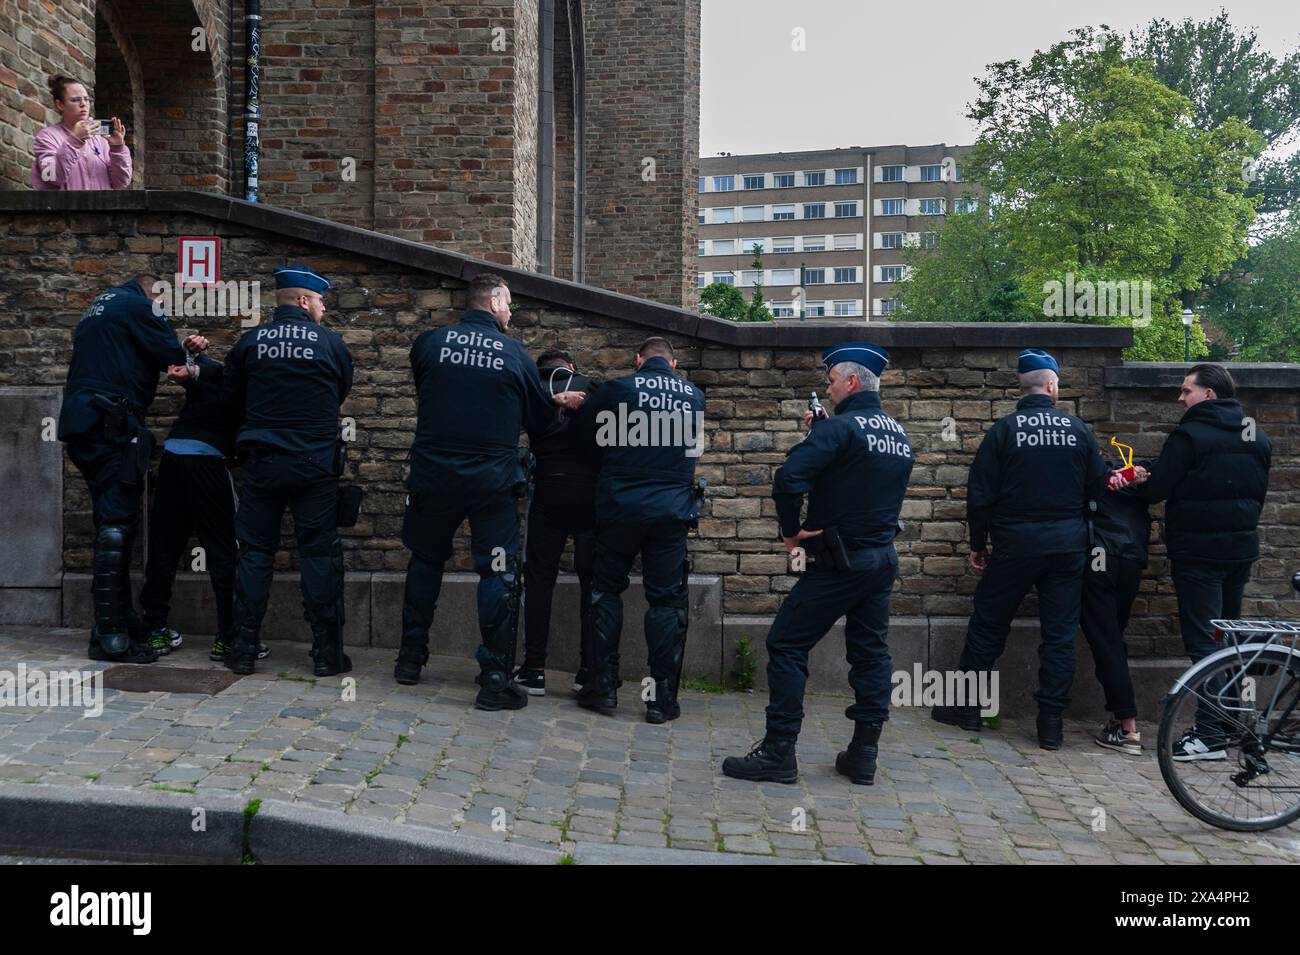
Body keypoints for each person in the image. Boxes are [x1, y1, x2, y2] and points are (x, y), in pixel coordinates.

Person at [721, 343, 913, 785]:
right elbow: (859, 476)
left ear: (851, 381)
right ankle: (864, 754)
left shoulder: (839, 430)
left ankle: (778, 752)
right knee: (871, 653)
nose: (828, 391)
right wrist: (825, 436)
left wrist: (791, 532)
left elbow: (788, 479)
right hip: (881, 560)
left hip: (840, 562)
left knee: (786, 643)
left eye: (831, 382)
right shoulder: (896, 432)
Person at [395, 274, 585, 710]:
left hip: (434, 476)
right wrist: (553, 403)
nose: (511, 312)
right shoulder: (515, 355)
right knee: (497, 572)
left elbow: (430, 392)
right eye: (510, 304)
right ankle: (495, 675)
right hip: (491, 483)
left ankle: (409, 658)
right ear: (495, 301)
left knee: (425, 561)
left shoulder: (428, 344)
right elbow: (539, 424)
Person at [931, 349, 1108, 750]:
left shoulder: (1004, 431)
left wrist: (978, 544)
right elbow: (1098, 488)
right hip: (1067, 546)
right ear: (1052, 385)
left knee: (988, 625)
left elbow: (980, 496)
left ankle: (968, 708)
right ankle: (1051, 724)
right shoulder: (1077, 430)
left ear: (1022, 387)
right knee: (1060, 635)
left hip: (1015, 544)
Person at [58, 276, 207, 662]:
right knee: (116, 528)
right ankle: (110, 635)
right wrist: (192, 352)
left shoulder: (99, 305)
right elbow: (170, 357)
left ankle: (121, 619)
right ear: (154, 293)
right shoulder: (143, 305)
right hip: (111, 426)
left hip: (81, 424)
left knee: (110, 522)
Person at [221, 266, 355, 676]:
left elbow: (232, 397)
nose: (323, 308)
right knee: (318, 552)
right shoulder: (331, 343)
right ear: (303, 300)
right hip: (315, 463)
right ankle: (327, 653)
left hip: (262, 462)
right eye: (320, 301)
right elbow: (341, 390)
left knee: (255, 553)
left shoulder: (250, 342)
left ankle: (243, 648)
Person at [1135, 363, 1271, 761]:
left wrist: (1137, 480)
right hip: (1240, 551)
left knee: (1204, 643)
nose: (1180, 398)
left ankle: (1208, 735)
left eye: (1186, 391)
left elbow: (1157, 489)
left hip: (1198, 555)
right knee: (1228, 640)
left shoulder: (1190, 435)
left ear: (1208, 394)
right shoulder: (1255, 434)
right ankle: (1228, 723)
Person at [575, 336, 706, 724]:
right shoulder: (694, 396)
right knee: (665, 602)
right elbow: (691, 449)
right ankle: (659, 700)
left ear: (638, 360)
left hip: (620, 508)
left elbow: (585, 435)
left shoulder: (618, 389)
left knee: (605, 590)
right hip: (670, 512)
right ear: (674, 363)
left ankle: (604, 687)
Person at [137, 351, 267, 663]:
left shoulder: (209, 375)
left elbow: (200, 368)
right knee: (223, 550)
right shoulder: (247, 386)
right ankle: (228, 637)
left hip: (173, 458)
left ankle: (155, 629)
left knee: (164, 547)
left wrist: (192, 355)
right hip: (208, 461)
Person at [513, 349, 601, 697]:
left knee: (539, 579)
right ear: (572, 366)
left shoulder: (532, 391)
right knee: (592, 582)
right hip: (590, 491)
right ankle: (588, 670)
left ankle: (534, 669)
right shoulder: (593, 387)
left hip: (548, 487)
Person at [1081, 451, 1153, 755]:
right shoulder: (1138, 484)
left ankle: (1127, 726)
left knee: (1107, 640)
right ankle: (1120, 719)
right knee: (1113, 637)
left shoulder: (1093, 478)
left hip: (1100, 557)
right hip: (1131, 559)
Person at [31, 75, 132, 191]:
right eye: (75, 100)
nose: (83, 104)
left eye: (86, 99)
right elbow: (51, 176)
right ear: (60, 105)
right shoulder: (47, 137)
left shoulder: (101, 139)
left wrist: (117, 148)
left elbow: (121, 183)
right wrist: (75, 140)